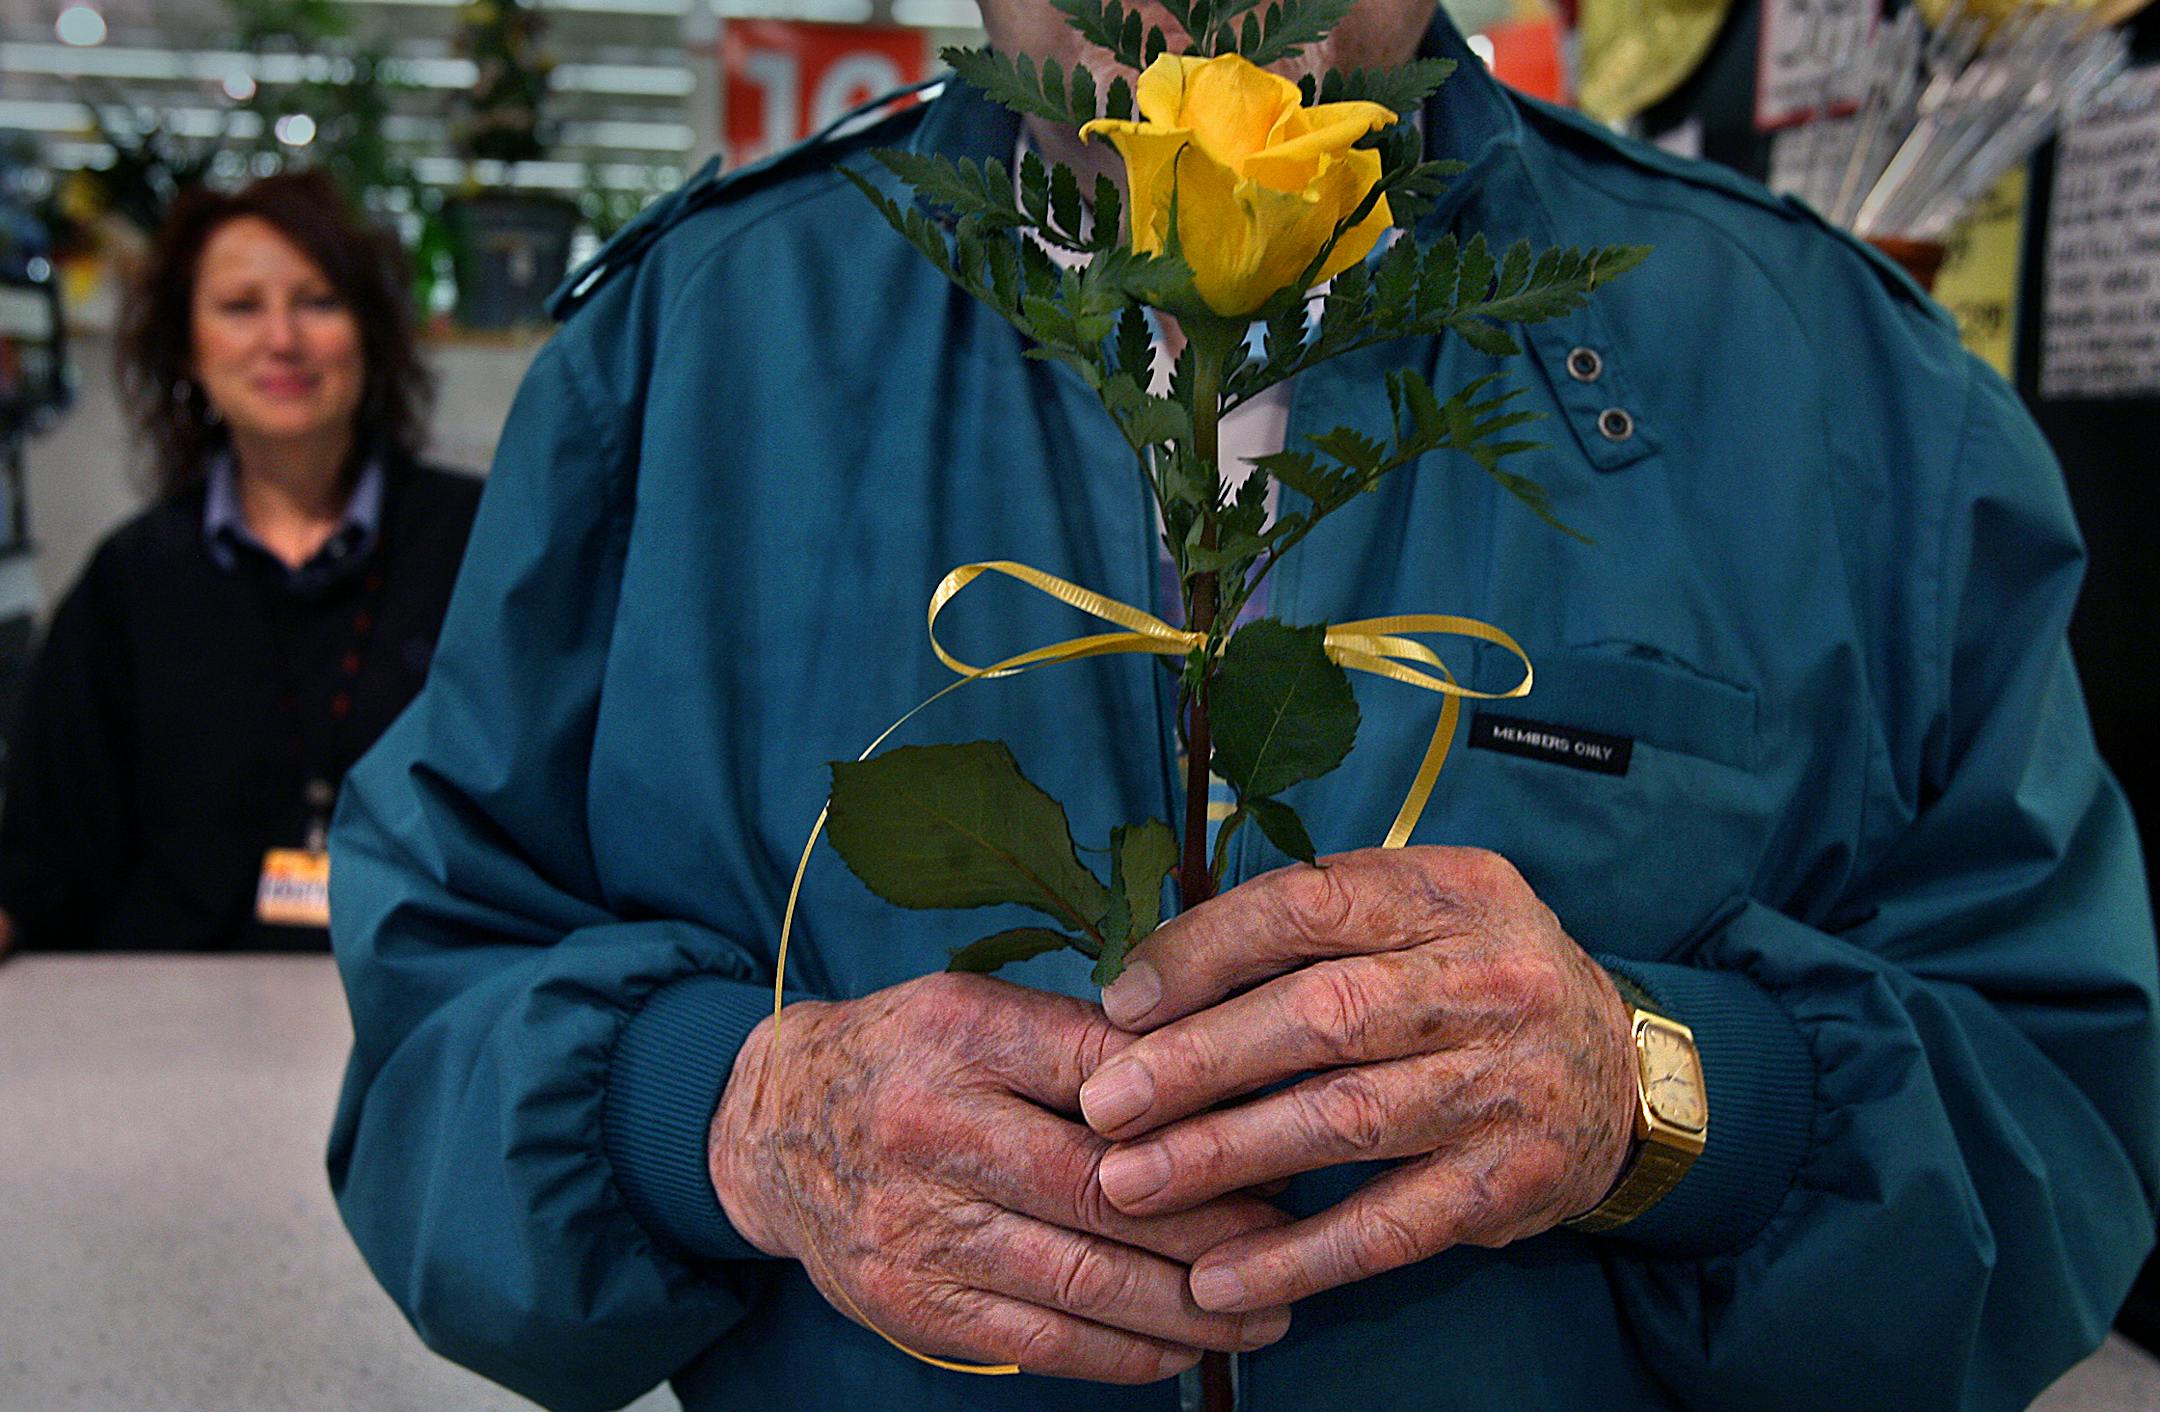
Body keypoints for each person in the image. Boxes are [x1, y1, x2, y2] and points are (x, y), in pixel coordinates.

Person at [324, 0, 2159, 1406]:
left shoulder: (1844, 391)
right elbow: (435, 1016)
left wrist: (1660, 1096)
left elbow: (2060, 1114)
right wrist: (728, 1118)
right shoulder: (679, 351)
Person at [0, 171, 480, 957]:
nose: (282, 339)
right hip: (174, 1016)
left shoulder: (481, 544)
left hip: (426, 1015)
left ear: (370, 333)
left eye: (318, 301)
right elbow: (45, 857)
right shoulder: (130, 579)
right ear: (190, 349)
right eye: (240, 307)